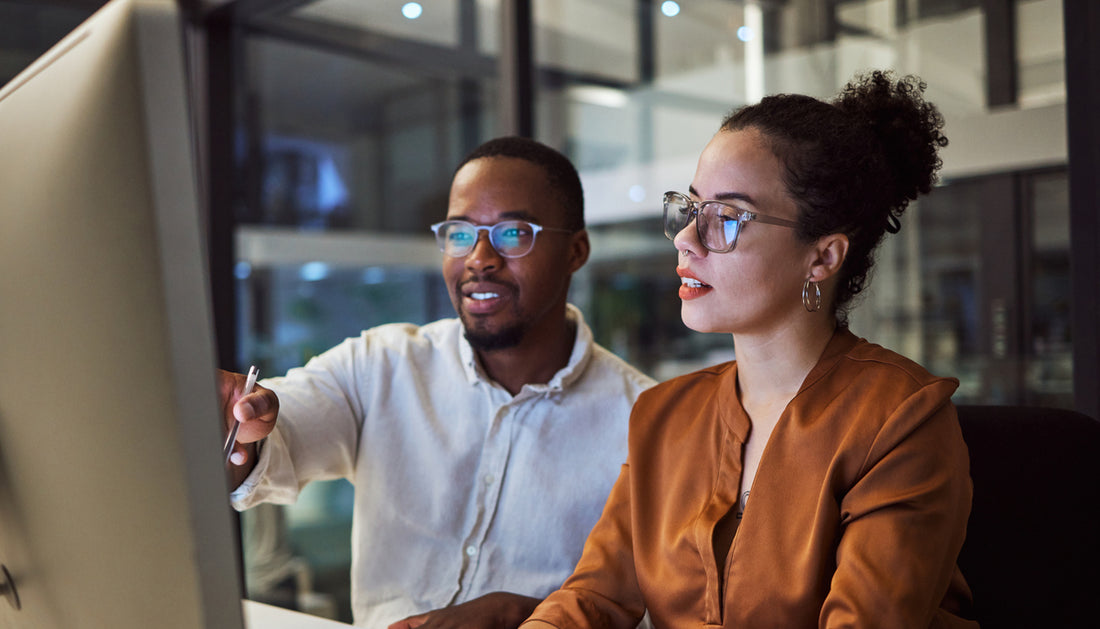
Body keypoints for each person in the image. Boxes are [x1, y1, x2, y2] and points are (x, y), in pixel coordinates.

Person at [522, 71, 978, 628]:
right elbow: (591, 599)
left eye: (726, 218)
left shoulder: (900, 418)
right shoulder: (664, 416)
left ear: (822, 257)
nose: (687, 239)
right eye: (689, 208)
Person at [220, 136, 656, 629]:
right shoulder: (381, 364)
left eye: (513, 233)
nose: (480, 257)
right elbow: (282, 435)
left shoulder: (645, 421)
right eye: (460, 232)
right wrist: (243, 426)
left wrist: (524, 616)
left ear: (576, 250)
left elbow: (658, 613)